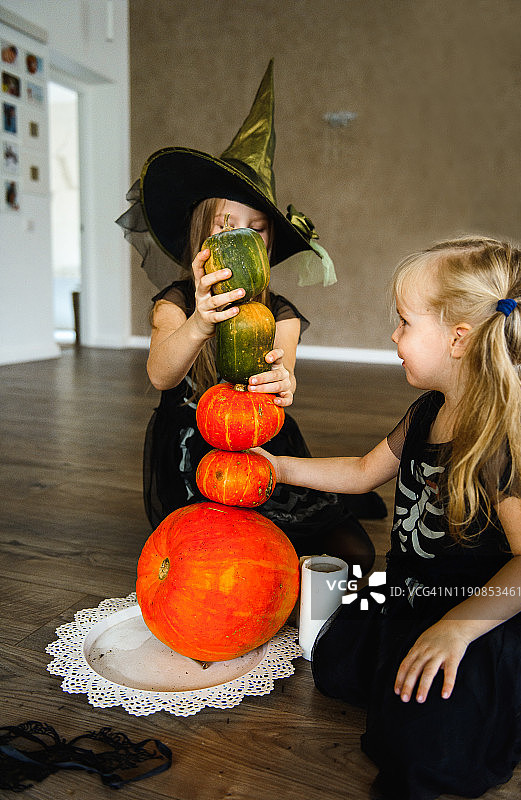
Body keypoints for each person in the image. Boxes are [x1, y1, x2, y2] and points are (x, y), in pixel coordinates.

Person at [257, 236, 521, 800]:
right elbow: (362, 471)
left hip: (482, 610)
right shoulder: (426, 410)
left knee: (424, 749)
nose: (393, 336)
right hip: (412, 591)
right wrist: (279, 467)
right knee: (335, 661)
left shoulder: (499, 441)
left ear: (458, 339)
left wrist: (458, 628)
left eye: (404, 323)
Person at [117, 61, 386, 568]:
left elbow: (282, 373)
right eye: (226, 225)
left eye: (256, 229)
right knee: (217, 554)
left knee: (355, 553)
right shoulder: (175, 303)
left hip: (259, 443)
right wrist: (200, 322)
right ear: (201, 233)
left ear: (267, 246)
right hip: (190, 450)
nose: (241, 238)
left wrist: (281, 381)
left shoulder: (279, 313)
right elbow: (160, 372)